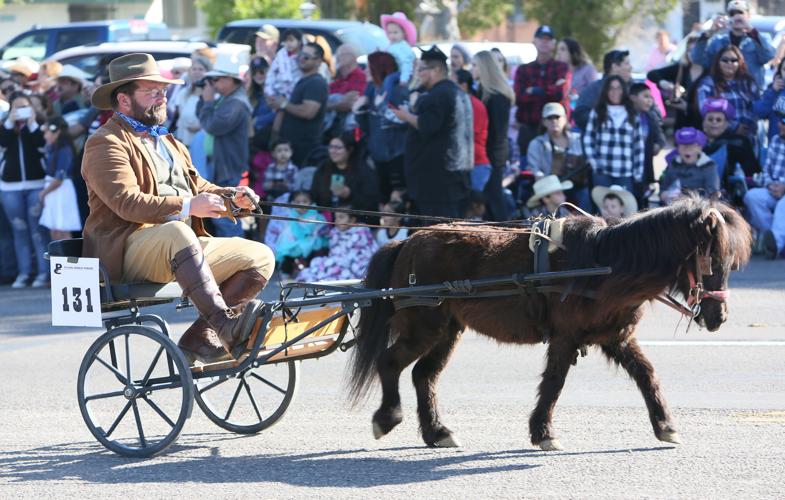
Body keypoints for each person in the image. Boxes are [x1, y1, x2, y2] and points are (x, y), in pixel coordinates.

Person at [81, 53, 275, 365]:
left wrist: (232, 200)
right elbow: (126, 203)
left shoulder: (170, 143)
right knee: (176, 230)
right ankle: (225, 325)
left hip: (177, 246)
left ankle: (201, 336)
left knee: (260, 256)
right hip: (126, 248)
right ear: (124, 99)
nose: (162, 97)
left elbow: (199, 188)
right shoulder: (105, 143)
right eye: (152, 91)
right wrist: (188, 205)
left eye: (163, 90)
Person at [390, 45, 473, 218]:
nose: (418, 74)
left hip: (437, 182)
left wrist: (405, 116)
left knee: (439, 234)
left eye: (421, 69)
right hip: (453, 178)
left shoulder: (439, 95)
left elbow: (427, 125)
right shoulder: (456, 92)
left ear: (436, 70)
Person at [197, 53, 254, 238]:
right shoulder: (226, 98)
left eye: (218, 79)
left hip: (228, 167)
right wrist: (206, 100)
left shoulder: (236, 102)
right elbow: (204, 118)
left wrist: (207, 101)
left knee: (226, 215)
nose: (214, 83)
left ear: (231, 80)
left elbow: (213, 126)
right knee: (221, 212)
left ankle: (237, 258)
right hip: (221, 165)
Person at [0, 91, 50, 288]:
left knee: (38, 232)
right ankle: (24, 273)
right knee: (19, 231)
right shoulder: (5, 128)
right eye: (16, 108)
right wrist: (11, 124)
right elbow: (3, 144)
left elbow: (41, 145)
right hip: (10, 188)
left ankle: (43, 273)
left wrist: (30, 123)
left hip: (36, 185)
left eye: (24, 107)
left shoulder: (38, 126)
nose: (20, 111)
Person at [514, 25, 571, 160]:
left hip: (555, 131)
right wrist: (550, 90)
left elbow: (560, 94)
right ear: (534, 41)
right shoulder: (523, 70)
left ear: (553, 44)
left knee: (557, 174)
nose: (544, 42)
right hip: (529, 128)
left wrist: (534, 90)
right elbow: (519, 98)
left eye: (548, 39)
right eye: (541, 39)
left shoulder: (562, 68)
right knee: (526, 174)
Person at [691, 0, 775, 88]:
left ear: (748, 16)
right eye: (732, 14)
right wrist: (709, 33)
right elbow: (697, 59)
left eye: (740, 13)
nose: (737, 17)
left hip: (751, 95)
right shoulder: (718, 41)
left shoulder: (759, 38)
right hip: (725, 94)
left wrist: (751, 31)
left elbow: (768, 56)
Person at [270, 42, 329, 167]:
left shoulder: (316, 83)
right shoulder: (303, 80)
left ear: (318, 61)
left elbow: (308, 112)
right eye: (300, 55)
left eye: (306, 57)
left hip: (304, 150)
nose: (301, 59)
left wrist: (284, 104)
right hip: (290, 148)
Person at [473, 50, 514, 222]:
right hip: (486, 155)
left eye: (475, 65)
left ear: (484, 68)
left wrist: (486, 158)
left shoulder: (497, 98)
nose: (471, 69)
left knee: (495, 202)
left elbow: (497, 134)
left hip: (492, 157)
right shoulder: (482, 92)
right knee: (487, 203)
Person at [583, 75, 645, 191]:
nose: (615, 92)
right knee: (603, 207)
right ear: (606, 91)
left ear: (624, 90)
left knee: (624, 208)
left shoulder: (632, 113)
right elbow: (588, 139)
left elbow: (638, 146)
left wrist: (638, 173)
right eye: (611, 88)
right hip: (602, 172)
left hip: (625, 172)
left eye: (618, 88)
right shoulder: (597, 112)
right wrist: (595, 164)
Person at [526, 102, 588, 209]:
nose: (554, 121)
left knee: (585, 194)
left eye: (557, 117)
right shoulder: (536, 144)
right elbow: (535, 171)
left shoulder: (579, 140)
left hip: (577, 186)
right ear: (544, 122)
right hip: (550, 189)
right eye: (550, 118)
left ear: (565, 119)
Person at [296, 208, 379, 282]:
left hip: (353, 264)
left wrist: (342, 261)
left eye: (341, 217)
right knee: (317, 263)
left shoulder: (361, 233)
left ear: (352, 220)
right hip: (337, 261)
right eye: (336, 217)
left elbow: (365, 253)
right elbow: (334, 252)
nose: (337, 220)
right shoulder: (335, 233)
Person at [700, 97, 759, 200]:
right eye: (710, 119)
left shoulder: (739, 142)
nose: (714, 123)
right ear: (703, 123)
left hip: (730, 195)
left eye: (718, 120)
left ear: (726, 124)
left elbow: (752, 172)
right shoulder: (695, 143)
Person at [744, 113, 785, 259]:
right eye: (780, 120)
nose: (779, 124)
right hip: (773, 188)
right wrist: (770, 185)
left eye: (784, 121)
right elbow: (766, 170)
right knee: (752, 196)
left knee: (782, 205)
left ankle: (776, 243)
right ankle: (774, 242)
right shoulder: (775, 140)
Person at [696, 45, 759, 139]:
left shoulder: (748, 83)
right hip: (720, 139)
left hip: (748, 137)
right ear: (718, 62)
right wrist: (734, 127)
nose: (729, 63)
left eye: (734, 60)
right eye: (725, 60)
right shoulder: (708, 84)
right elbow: (705, 110)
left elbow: (757, 108)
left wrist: (747, 126)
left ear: (740, 62)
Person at [647, 34, 705, 130]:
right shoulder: (681, 69)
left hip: (704, 126)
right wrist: (665, 84)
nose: (692, 54)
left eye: (696, 51)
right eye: (690, 50)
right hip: (682, 125)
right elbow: (652, 74)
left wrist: (688, 108)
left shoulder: (710, 72)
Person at [265, 190, 329, 276]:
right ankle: (286, 273)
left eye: (305, 201)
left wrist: (320, 232)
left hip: (312, 243)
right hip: (294, 242)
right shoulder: (291, 214)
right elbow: (290, 231)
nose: (301, 205)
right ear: (292, 203)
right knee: (287, 255)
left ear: (311, 202)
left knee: (314, 256)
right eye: (298, 202)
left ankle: (310, 273)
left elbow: (324, 229)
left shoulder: (316, 215)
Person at [310, 132, 379, 211]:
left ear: (350, 150)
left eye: (338, 148)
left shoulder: (363, 171)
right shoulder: (323, 168)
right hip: (326, 217)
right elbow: (314, 195)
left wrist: (349, 195)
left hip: (353, 219)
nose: (333, 151)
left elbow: (372, 203)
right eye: (331, 147)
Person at [39, 117, 82, 241]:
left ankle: (64, 259)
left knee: (62, 230)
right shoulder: (55, 148)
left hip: (60, 190)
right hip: (54, 190)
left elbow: (60, 178)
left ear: (56, 131)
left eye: (47, 132)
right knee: (55, 229)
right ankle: (57, 259)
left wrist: (43, 194)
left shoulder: (64, 150)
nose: (45, 136)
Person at [574, 49, 633, 131]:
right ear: (614, 66)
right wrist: (605, 125)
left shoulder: (634, 89)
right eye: (627, 63)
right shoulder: (593, 90)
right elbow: (580, 115)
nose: (631, 67)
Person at [660, 127, 720, 205]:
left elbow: (713, 196)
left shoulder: (708, 166)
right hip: (672, 209)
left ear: (700, 147)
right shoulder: (674, 163)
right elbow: (663, 188)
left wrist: (688, 199)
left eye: (692, 145)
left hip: (699, 210)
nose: (687, 149)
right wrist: (664, 195)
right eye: (683, 145)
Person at [629, 82, 666, 205]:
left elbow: (660, 138)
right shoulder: (626, 116)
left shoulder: (650, 117)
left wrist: (657, 145)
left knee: (642, 202)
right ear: (633, 98)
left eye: (651, 97)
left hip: (645, 168)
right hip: (628, 167)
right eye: (645, 96)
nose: (649, 100)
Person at [455, 69, 490, 194]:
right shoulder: (462, 103)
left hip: (476, 163)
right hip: (466, 163)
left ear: (463, 85)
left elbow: (470, 132)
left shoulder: (474, 105)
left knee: (473, 206)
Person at [325, 44, 366, 136]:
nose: (338, 58)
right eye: (338, 55)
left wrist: (327, 106)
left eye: (341, 55)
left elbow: (348, 104)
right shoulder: (341, 79)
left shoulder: (359, 77)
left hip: (347, 131)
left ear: (352, 57)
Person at [173, 52, 211, 147]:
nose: (197, 72)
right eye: (194, 69)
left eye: (201, 69)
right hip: (186, 143)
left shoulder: (213, 95)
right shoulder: (183, 94)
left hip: (204, 144)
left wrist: (201, 127)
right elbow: (180, 121)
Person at [381, 11, 417, 88]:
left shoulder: (403, 46)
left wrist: (404, 79)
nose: (392, 36)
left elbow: (406, 63)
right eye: (390, 33)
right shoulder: (391, 46)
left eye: (395, 32)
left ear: (404, 33)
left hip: (404, 73)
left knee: (389, 80)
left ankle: (387, 98)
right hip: (395, 72)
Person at [265, 28, 303, 101]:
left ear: (299, 42)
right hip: (279, 92)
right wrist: (269, 91)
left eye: (291, 40)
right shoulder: (280, 55)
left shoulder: (303, 57)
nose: (288, 43)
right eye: (286, 41)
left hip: (297, 93)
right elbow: (272, 73)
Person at [753, 57, 785, 142]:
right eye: (784, 69)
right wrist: (772, 92)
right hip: (775, 147)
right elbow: (758, 112)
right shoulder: (774, 90)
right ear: (780, 72)